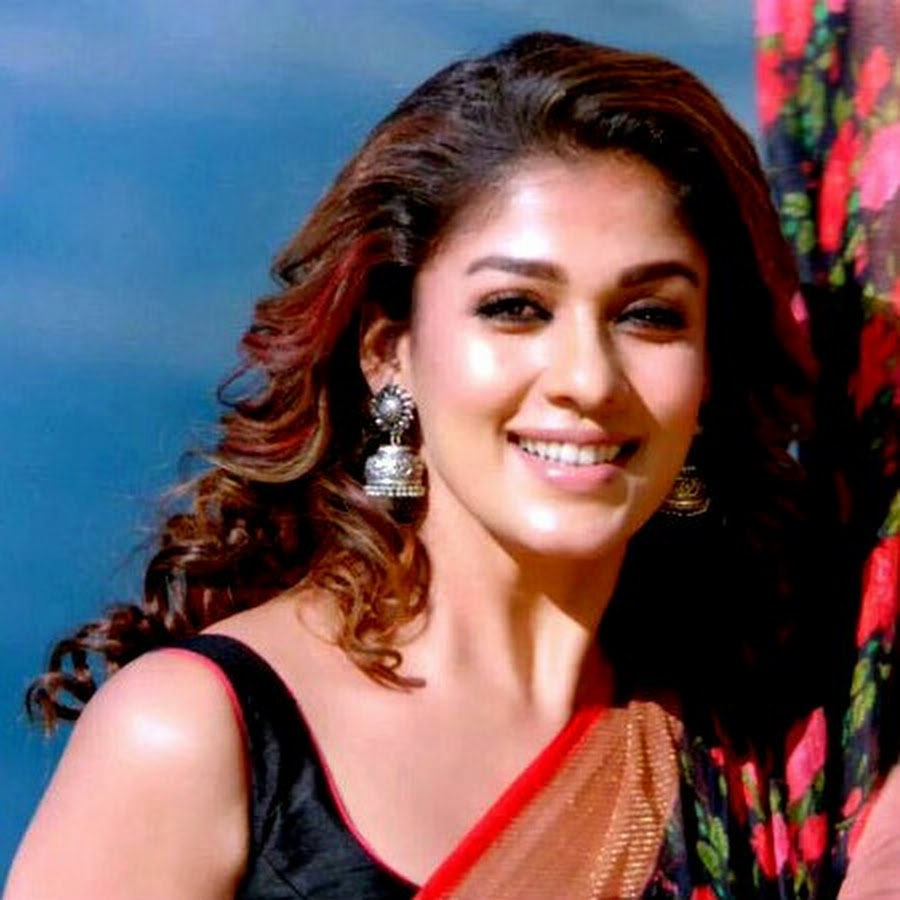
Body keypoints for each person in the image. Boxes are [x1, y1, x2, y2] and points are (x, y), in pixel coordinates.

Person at [5, 31, 873, 898]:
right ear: (390, 353)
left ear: (711, 368)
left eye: (649, 315)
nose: (587, 381)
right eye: (515, 307)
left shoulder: (764, 749)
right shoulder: (195, 736)